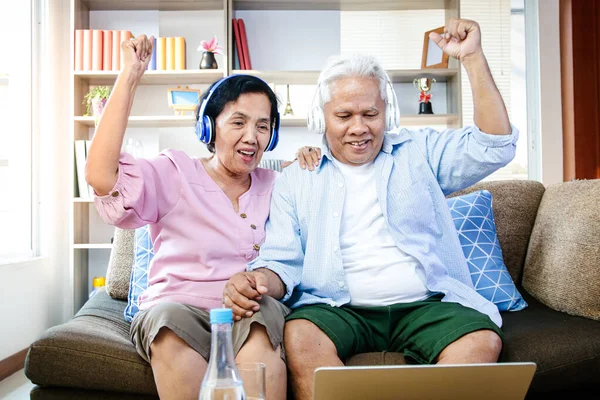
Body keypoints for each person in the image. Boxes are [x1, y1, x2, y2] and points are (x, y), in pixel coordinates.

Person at [223, 18, 518, 400]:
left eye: (370, 114)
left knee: (481, 339)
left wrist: (473, 58)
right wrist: (258, 280)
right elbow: (283, 260)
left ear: (387, 113)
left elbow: (494, 146)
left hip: (426, 303)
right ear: (321, 119)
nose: (359, 128)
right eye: (344, 116)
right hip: (336, 308)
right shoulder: (298, 179)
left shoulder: (419, 152)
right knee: (299, 335)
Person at [85, 34, 320, 400]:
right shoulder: (173, 171)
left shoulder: (279, 184)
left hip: (249, 311)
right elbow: (101, 176)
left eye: (263, 126)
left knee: (265, 316)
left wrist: (314, 158)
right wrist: (130, 75)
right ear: (208, 128)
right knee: (167, 322)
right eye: (238, 122)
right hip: (176, 307)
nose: (252, 136)